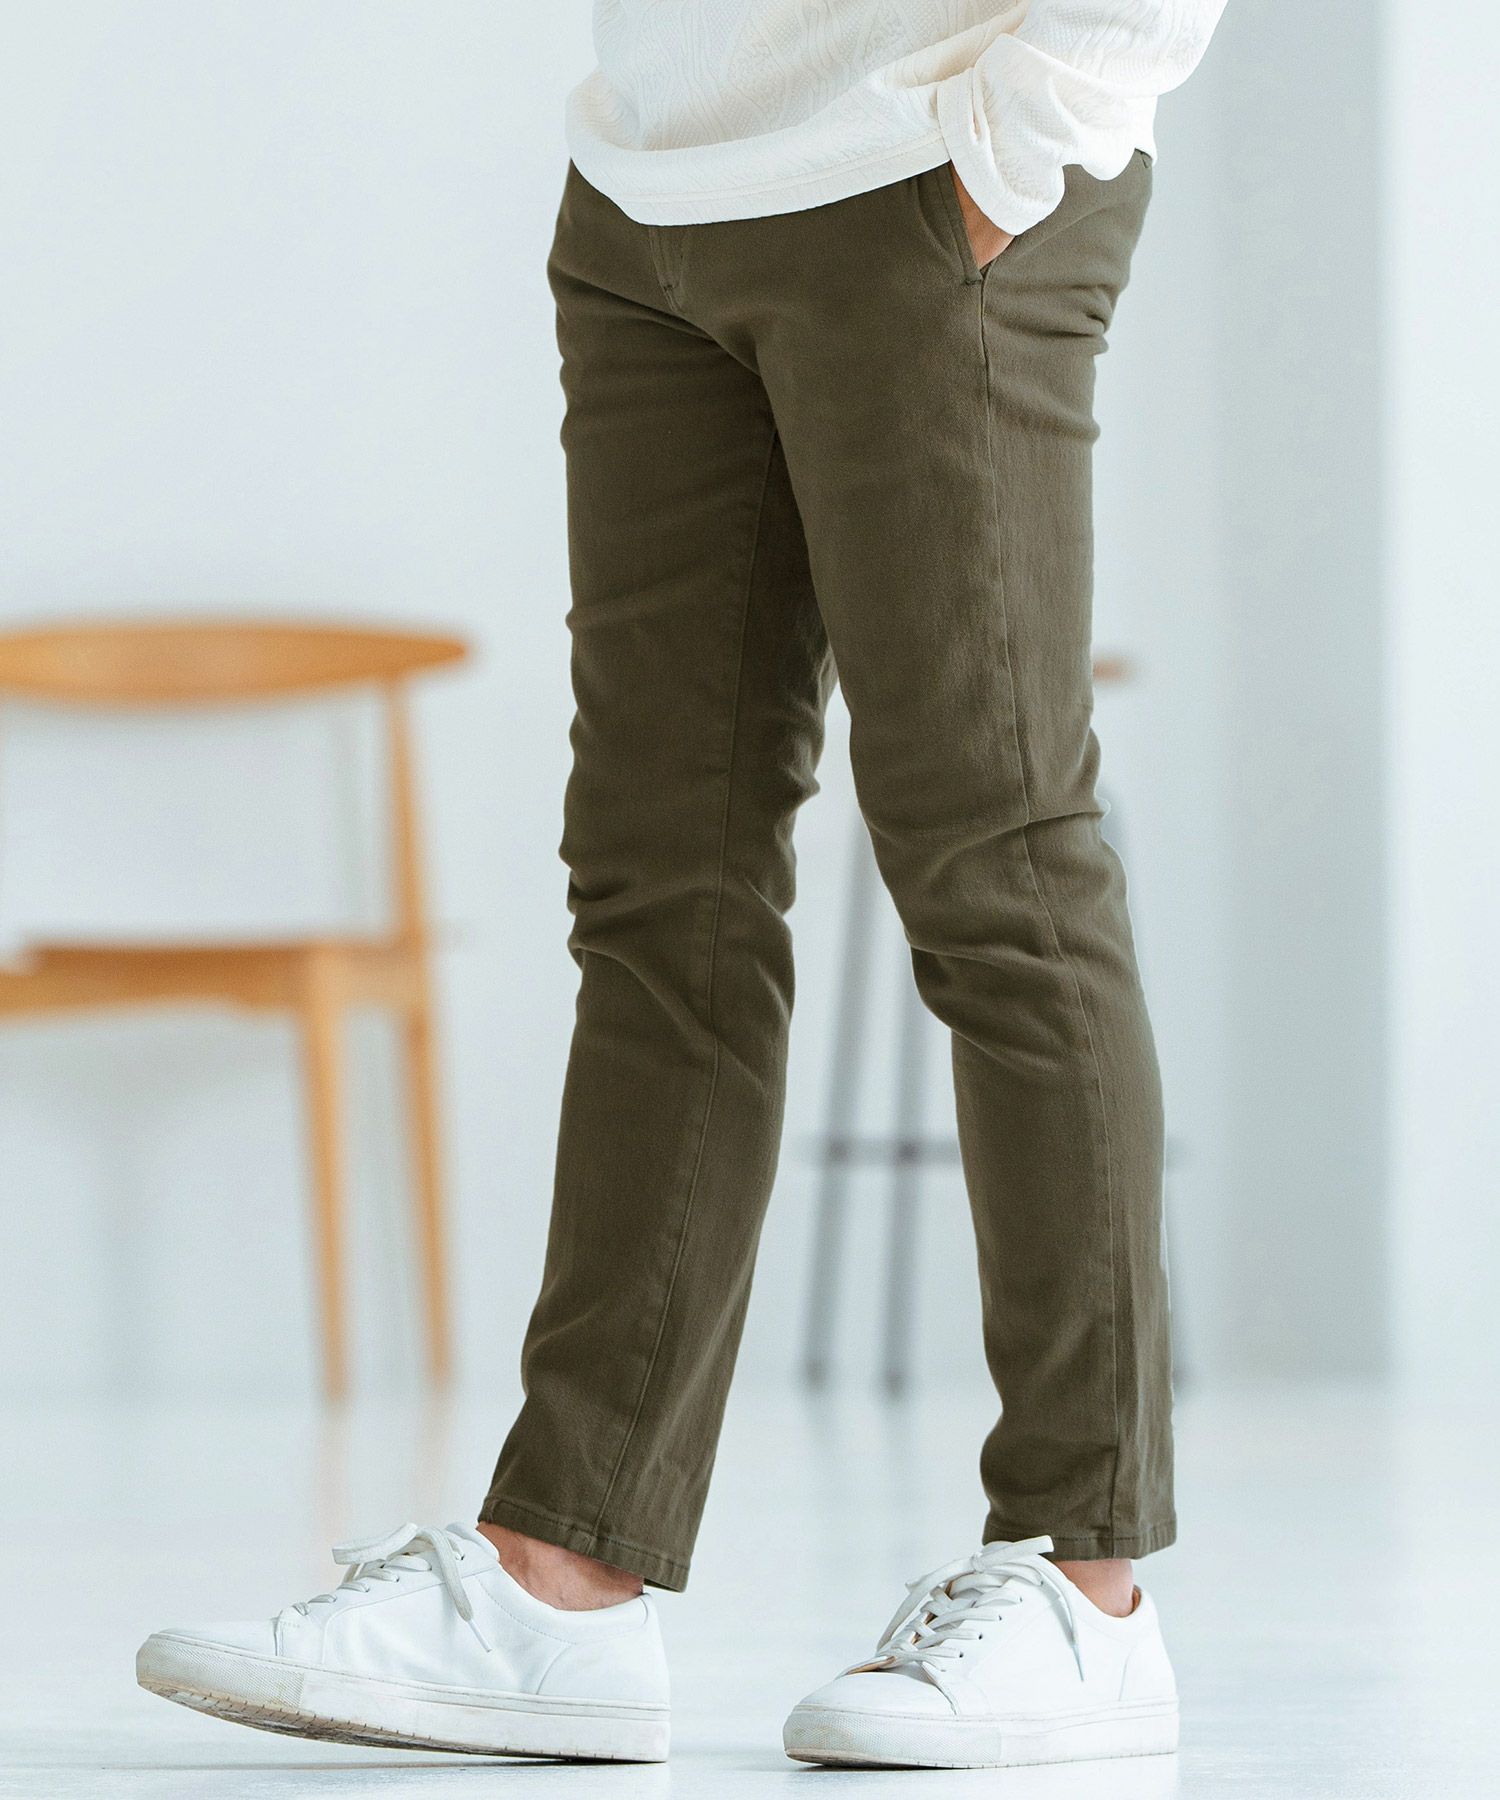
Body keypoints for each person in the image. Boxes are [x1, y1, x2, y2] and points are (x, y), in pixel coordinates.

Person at [137, 0, 1225, 1771]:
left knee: (996, 867)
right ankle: (559, 1584)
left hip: (926, 165)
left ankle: (1085, 1584)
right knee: (659, 897)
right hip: (652, 190)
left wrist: (1029, 126)